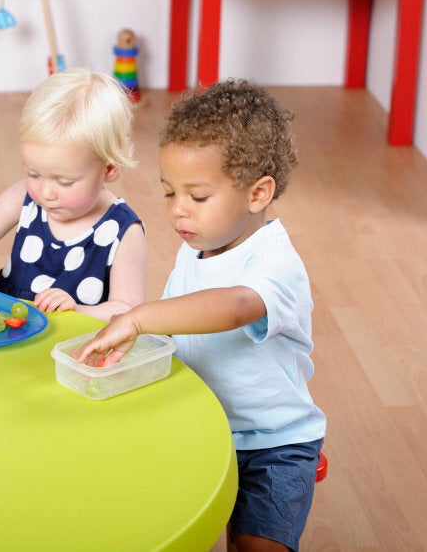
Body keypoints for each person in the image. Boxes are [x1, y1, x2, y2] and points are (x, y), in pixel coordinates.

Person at [75, 79, 327, 552]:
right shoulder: (198, 249)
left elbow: (233, 307)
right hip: (200, 422)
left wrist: (140, 316)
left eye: (198, 196)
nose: (178, 212)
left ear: (258, 194)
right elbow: (184, 333)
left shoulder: (274, 263)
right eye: (170, 194)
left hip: (272, 444)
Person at [0, 68, 147, 322]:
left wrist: (77, 311)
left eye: (65, 181)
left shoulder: (123, 231)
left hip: (72, 352)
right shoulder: (24, 197)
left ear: (109, 168)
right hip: (9, 337)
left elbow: (128, 309)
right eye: (33, 173)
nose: (46, 193)